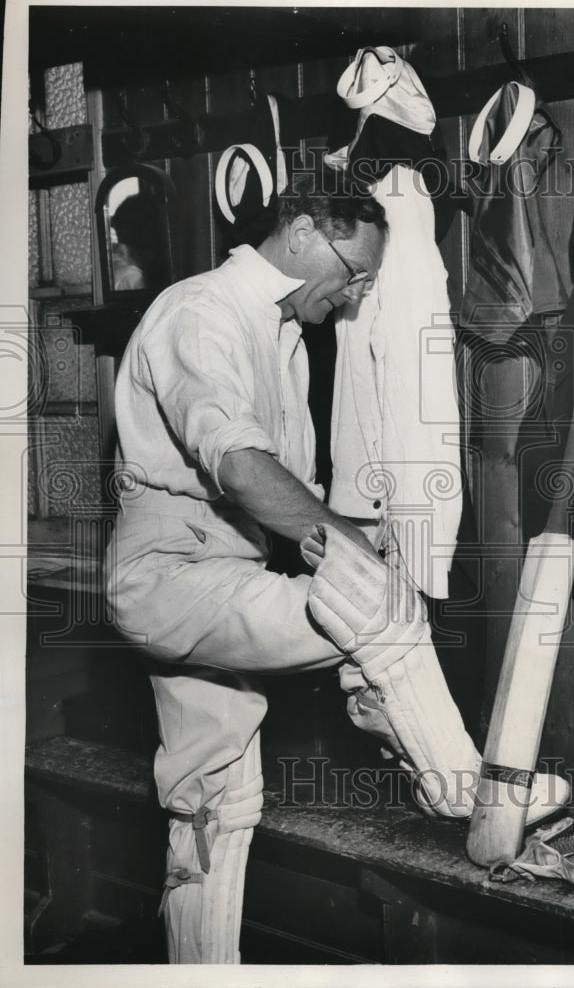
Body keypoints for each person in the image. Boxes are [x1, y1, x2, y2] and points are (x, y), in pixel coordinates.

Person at [104, 177, 490, 964]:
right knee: (379, 603)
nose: (351, 299)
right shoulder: (201, 311)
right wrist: (360, 556)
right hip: (169, 573)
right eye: (352, 274)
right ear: (308, 230)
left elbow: (293, 499)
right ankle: (468, 792)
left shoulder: (281, 334)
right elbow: (243, 472)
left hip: (225, 565)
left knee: (215, 804)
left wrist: (350, 540)